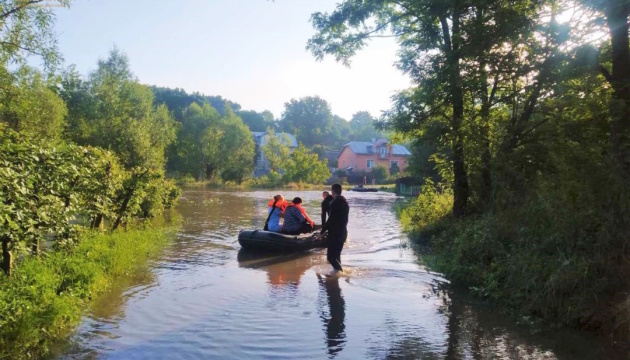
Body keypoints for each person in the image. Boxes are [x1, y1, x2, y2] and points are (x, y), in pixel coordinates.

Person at [321, 183, 349, 274]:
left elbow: (330, 220)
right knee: (337, 256)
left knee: (330, 257)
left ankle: (340, 273)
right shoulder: (345, 202)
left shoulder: (335, 203)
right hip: (343, 232)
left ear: (332, 191)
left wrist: (321, 232)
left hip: (335, 234)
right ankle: (337, 275)